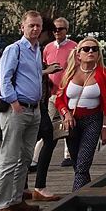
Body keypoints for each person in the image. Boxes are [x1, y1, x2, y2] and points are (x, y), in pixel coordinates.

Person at [0, 11, 44, 211]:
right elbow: (4, 78)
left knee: (24, 158)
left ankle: (16, 199)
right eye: (31, 25)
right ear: (22, 26)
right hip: (18, 108)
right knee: (9, 157)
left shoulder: (36, 49)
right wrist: (14, 102)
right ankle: (1, 204)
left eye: (38, 26)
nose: (35, 29)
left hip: (33, 108)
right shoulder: (14, 49)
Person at [56, 37, 106, 190]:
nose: (90, 52)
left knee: (83, 162)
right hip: (72, 122)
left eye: (94, 49)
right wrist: (66, 114)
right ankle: (88, 195)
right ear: (78, 54)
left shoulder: (104, 74)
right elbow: (59, 99)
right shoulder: (69, 72)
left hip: (93, 120)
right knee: (77, 163)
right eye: (86, 49)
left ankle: (75, 200)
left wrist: (105, 127)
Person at [27, 17, 62, 201]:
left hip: (38, 103)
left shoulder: (36, 49)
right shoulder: (21, 49)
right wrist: (46, 72)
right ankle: (33, 186)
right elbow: (21, 74)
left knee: (47, 137)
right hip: (24, 106)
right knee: (24, 146)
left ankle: (32, 186)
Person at [42, 17, 77, 167]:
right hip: (50, 92)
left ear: (66, 30)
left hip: (66, 92)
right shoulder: (48, 47)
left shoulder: (74, 47)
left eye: (60, 29)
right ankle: (38, 157)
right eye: (54, 29)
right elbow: (44, 65)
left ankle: (68, 155)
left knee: (67, 122)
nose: (57, 32)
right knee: (45, 124)